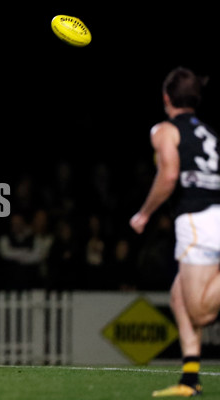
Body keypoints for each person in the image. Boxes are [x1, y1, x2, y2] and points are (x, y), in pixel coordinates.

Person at [129, 67, 220, 397]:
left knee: (200, 310)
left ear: (166, 98)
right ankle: (190, 378)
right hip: (214, 215)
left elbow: (168, 176)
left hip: (197, 221)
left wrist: (144, 214)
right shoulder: (208, 132)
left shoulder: (165, 129)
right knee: (179, 298)